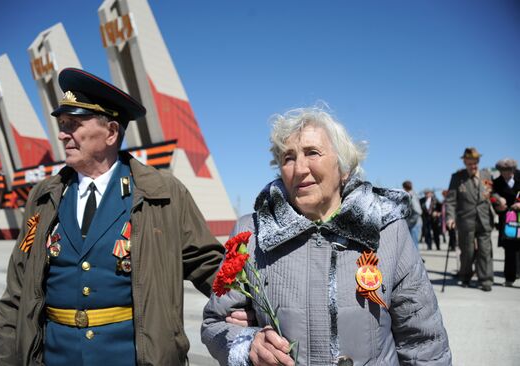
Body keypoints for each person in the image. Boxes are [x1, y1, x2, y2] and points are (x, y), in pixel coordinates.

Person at [0, 68, 226, 365]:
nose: (62, 134)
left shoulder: (162, 192)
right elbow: (17, 292)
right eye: (62, 124)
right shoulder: (44, 196)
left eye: (73, 124)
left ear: (111, 132)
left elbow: (210, 266)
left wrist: (255, 308)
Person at [202, 106, 451, 365]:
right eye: (288, 158)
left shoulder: (387, 231)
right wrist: (248, 343)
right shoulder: (251, 233)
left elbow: (423, 341)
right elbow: (215, 323)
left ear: (343, 168)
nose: (299, 168)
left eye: (312, 153)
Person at [445, 147, 494, 292]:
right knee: (468, 251)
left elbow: (489, 195)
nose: (473, 166)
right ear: (465, 162)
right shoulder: (457, 177)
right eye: (469, 163)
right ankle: (465, 276)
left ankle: (486, 280)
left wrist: (499, 200)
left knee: (485, 250)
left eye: (475, 163)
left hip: (484, 219)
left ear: (478, 162)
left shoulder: (486, 175)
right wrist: (450, 218)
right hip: (465, 220)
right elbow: (451, 201)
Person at [491, 158, 520, 287]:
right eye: (502, 171)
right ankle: (509, 278)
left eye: (507, 170)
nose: (505, 173)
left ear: (513, 170)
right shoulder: (496, 182)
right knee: (509, 249)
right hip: (507, 219)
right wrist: (498, 203)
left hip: (519, 217)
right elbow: (491, 197)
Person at [402, 180, 423, 249]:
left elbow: (418, 211)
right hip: (413, 223)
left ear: (404, 188)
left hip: (414, 224)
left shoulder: (411, 196)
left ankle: (415, 259)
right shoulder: (412, 194)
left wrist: (410, 222)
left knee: (414, 245)